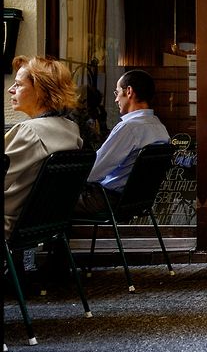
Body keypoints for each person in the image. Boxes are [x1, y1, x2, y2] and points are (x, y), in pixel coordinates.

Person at [4, 55, 83, 239]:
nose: (10, 89)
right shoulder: (72, 129)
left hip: (12, 222)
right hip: (44, 223)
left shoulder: (29, 132)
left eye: (18, 84)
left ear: (40, 90)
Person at [76, 69, 171, 214]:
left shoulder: (129, 128)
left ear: (129, 91)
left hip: (108, 200)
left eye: (117, 93)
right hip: (137, 201)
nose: (116, 99)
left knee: (49, 201)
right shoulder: (160, 128)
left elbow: (93, 172)